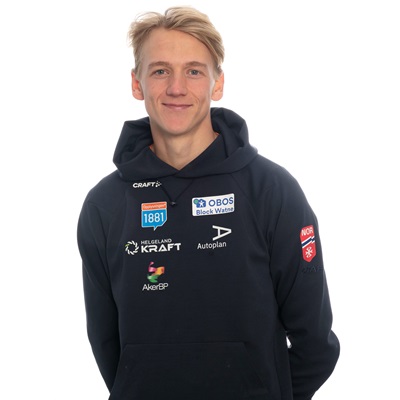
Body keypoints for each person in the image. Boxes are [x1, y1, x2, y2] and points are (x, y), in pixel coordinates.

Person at [77, 6, 340, 400]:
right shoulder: (105, 205)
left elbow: (315, 343)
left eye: (194, 71)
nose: (177, 88)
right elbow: (106, 343)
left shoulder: (272, 191)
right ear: (137, 83)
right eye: (160, 70)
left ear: (218, 84)